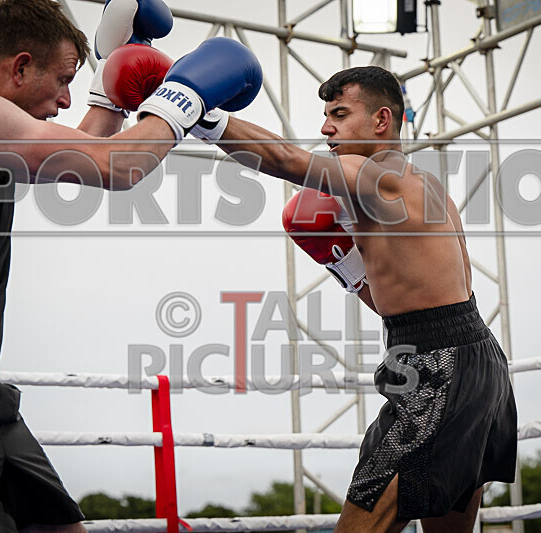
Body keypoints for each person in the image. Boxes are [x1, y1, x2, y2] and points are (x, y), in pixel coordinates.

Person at [0, 0, 262, 531]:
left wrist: (114, 82)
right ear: (19, 66)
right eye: (61, 81)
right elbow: (117, 167)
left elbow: (81, 152)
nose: (65, 99)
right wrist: (183, 98)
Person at [191, 66, 518, 533]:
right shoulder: (424, 186)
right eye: (326, 115)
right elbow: (406, 302)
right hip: (472, 357)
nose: (326, 128)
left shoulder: (374, 176)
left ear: (382, 120)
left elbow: (283, 158)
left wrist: (200, 116)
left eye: (340, 115)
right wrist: (345, 266)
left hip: (438, 368)